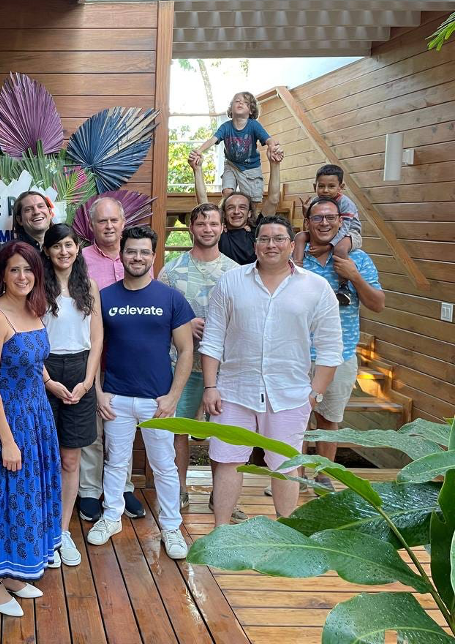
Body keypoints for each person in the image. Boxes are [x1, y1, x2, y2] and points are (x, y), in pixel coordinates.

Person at [200, 215, 343, 524]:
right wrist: (210, 386)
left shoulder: (316, 287)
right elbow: (212, 339)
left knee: (286, 466)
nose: (271, 245)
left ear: (292, 245)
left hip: (290, 394)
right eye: (264, 239)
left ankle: (285, 533)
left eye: (279, 239)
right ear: (255, 245)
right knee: (228, 461)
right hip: (233, 391)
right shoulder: (231, 282)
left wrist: (315, 394)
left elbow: (331, 348)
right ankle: (221, 532)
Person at [0, 241, 62, 616]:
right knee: (4, 498)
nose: (22, 276)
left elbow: (33, 359)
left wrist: (49, 383)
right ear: (2, 275)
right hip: (6, 421)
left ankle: (12, 572)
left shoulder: (33, 309)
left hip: (37, 418)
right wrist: (7, 440)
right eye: (14, 269)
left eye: (28, 269)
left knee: (27, 496)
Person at [87, 226, 194, 560]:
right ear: (121, 255)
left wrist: (173, 396)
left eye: (144, 251)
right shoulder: (105, 297)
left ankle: (171, 527)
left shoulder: (171, 298)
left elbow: (186, 350)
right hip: (116, 397)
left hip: (158, 400)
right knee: (115, 462)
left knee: (164, 465)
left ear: (153, 255)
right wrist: (98, 392)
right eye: (131, 251)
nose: (137, 257)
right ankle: (111, 517)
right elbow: (94, 348)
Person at [157, 204, 240, 516]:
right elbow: (158, 316)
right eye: (201, 223)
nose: (208, 229)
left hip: (224, 369)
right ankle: (179, 491)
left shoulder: (235, 272)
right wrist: (183, 325)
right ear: (191, 227)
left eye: (214, 224)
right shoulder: (171, 271)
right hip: (182, 365)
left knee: (224, 433)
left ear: (222, 228)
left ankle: (222, 497)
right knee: (177, 430)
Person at [300, 197, 383, 487]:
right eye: (317, 218)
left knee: (328, 420)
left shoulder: (358, 259)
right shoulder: (296, 257)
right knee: (296, 419)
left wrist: (354, 276)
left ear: (340, 222)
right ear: (307, 222)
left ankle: (324, 476)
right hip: (295, 354)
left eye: (330, 218)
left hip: (339, 355)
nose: (324, 223)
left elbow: (377, 304)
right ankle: (294, 477)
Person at [78, 196, 145, 522]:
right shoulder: (81, 260)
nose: (108, 226)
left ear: (123, 222)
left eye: (113, 220)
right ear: (92, 225)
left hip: (127, 360)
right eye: (102, 221)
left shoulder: (136, 255)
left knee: (122, 429)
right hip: (91, 357)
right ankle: (90, 490)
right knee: (92, 429)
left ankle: (122, 487)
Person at [41, 224, 102, 568]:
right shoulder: (38, 286)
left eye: (69, 245)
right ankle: (43, 531)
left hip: (80, 370)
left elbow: (97, 337)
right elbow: (28, 335)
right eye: (57, 246)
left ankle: (62, 530)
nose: (63, 252)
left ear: (77, 248)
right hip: (44, 370)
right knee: (43, 459)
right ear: (47, 251)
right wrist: (48, 380)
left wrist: (88, 381)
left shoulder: (88, 286)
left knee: (70, 460)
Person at [189, 91, 283, 202]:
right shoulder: (226, 127)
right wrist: (199, 151)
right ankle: (227, 209)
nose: (240, 103)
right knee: (227, 192)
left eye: (245, 102)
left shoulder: (254, 125)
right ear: (231, 108)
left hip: (251, 167)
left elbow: (268, 139)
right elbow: (212, 140)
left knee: (252, 201)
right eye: (237, 101)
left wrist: (272, 146)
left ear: (251, 110)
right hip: (231, 165)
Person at [293, 165, 363, 306]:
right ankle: (296, 271)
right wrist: (306, 213)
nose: (325, 190)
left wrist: (327, 247)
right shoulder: (316, 201)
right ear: (315, 186)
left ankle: (343, 287)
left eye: (331, 186)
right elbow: (310, 225)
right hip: (329, 231)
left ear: (341, 187)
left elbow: (344, 229)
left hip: (350, 233)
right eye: (321, 186)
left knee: (340, 249)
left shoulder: (346, 203)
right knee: (300, 236)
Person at [191, 157, 283, 266]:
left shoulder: (257, 231)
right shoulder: (219, 234)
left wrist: (275, 164)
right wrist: (197, 169)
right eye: (231, 208)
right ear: (224, 213)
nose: (236, 211)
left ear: (249, 213)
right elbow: (203, 202)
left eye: (242, 207)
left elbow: (273, 200)